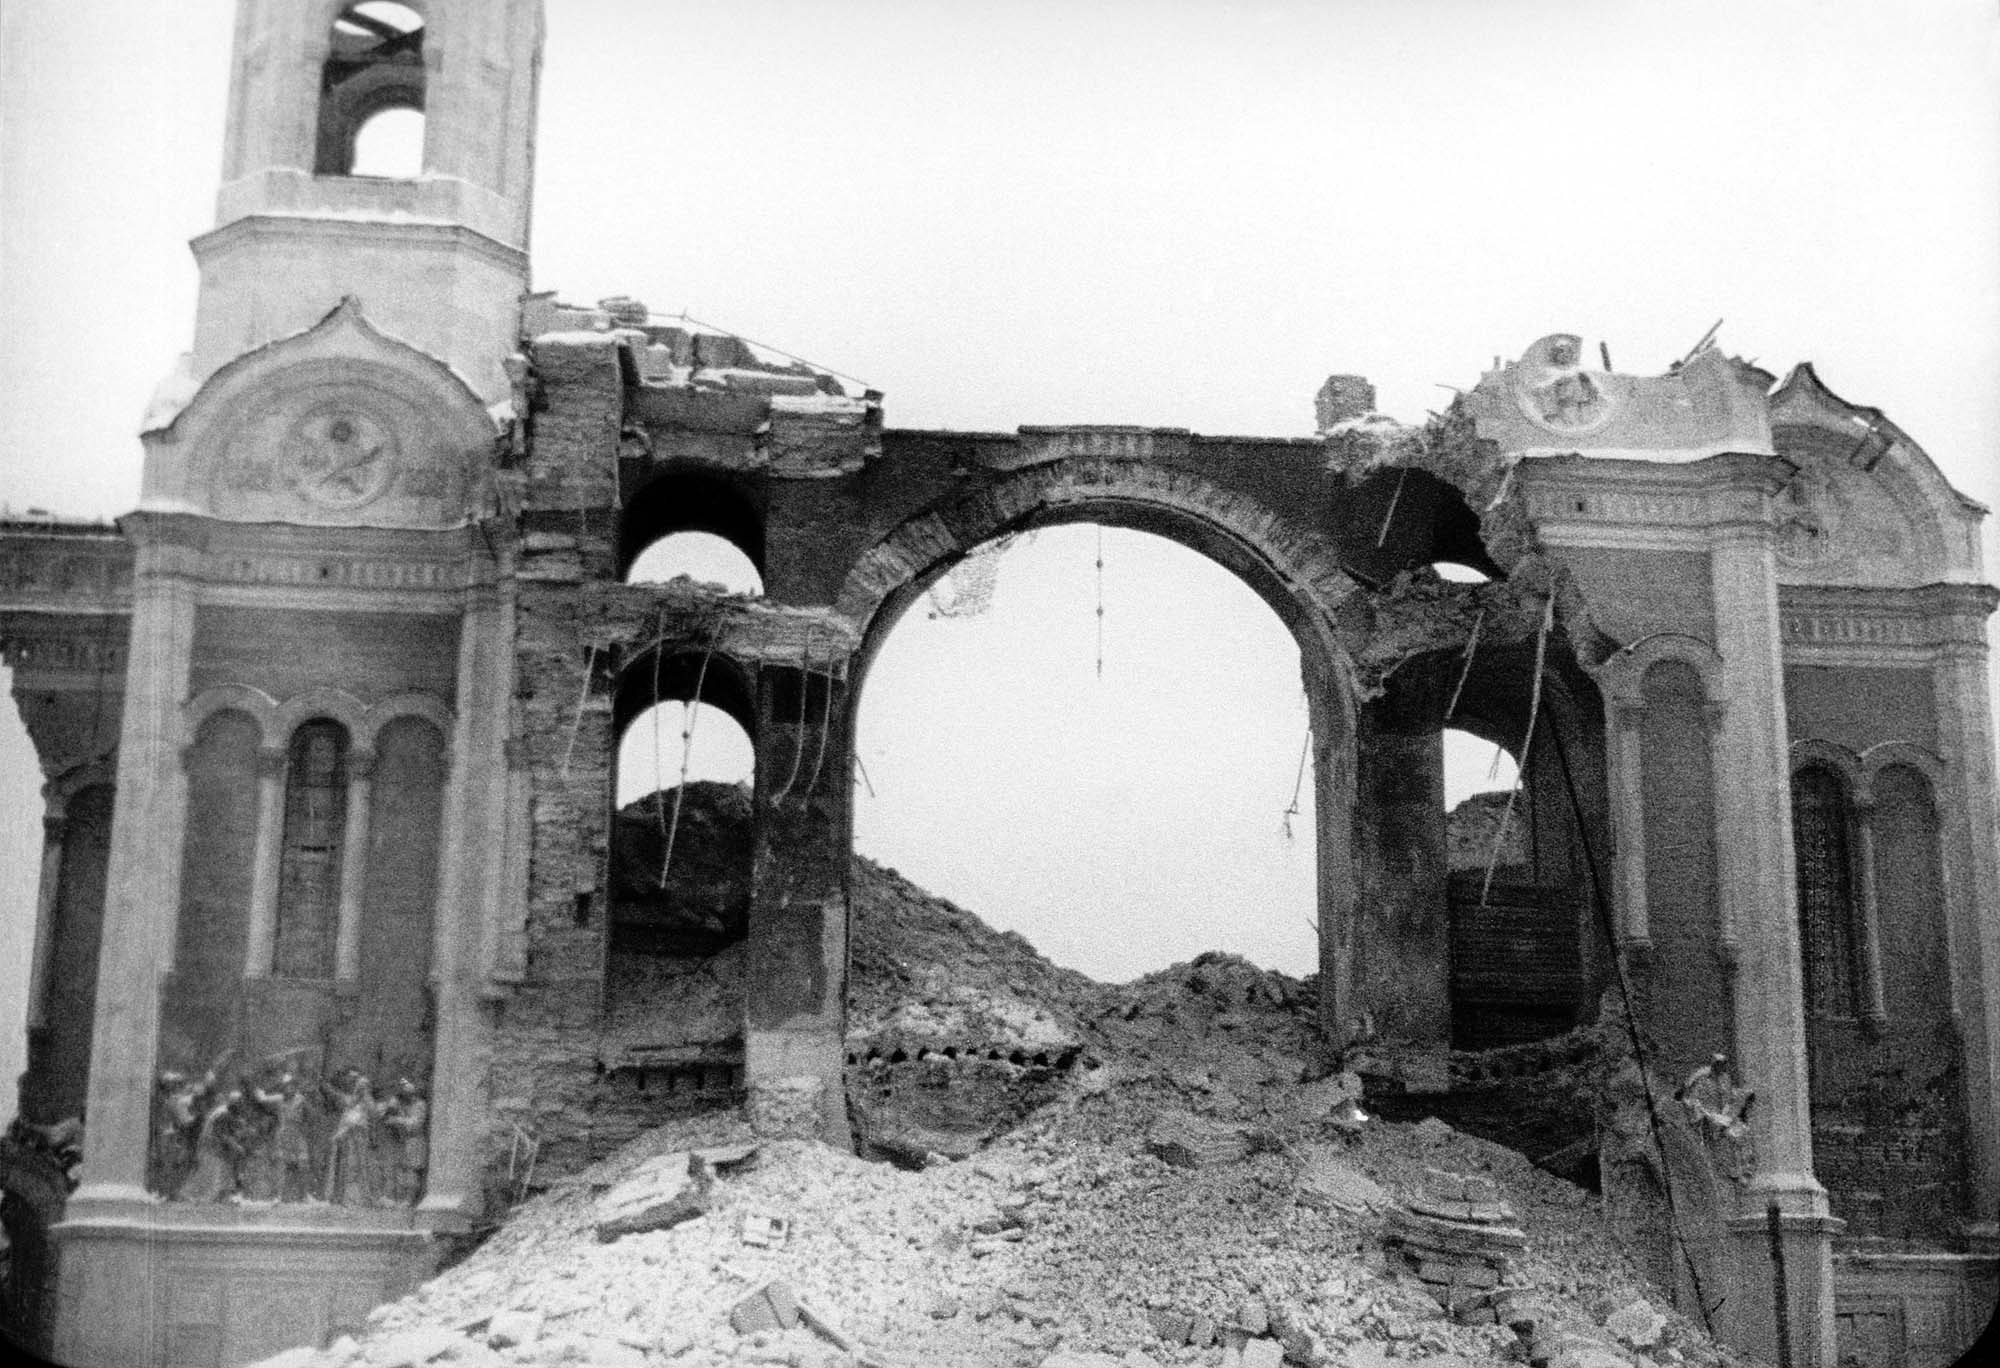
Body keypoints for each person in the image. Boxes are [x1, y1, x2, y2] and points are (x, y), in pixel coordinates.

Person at [324, 1072, 381, 1206]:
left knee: (359, 1166)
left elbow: (372, 1115)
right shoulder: (350, 1103)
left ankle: (361, 1197)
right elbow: (345, 1118)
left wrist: (367, 1098)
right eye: (360, 1087)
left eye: (365, 1088)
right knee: (347, 1166)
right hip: (348, 1139)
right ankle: (345, 1197)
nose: (362, 1090)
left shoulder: (366, 1103)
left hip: (359, 1138)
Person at [380, 1079, 429, 1206]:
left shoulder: (420, 1104)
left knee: (411, 1172)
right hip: (403, 1141)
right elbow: (384, 1115)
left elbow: (416, 1123)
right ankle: (396, 1198)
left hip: (415, 1141)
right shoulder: (401, 1104)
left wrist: (397, 1120)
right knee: (401, 1171)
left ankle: (409, 1199)